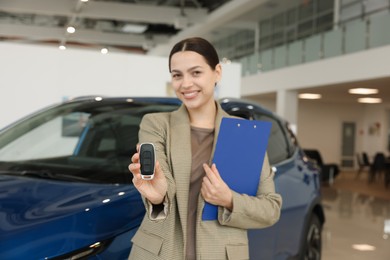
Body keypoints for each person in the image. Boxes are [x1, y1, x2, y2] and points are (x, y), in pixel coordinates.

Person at [128, 37, 282, 260]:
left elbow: (271, 208)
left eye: (196, 72)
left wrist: (229, 199)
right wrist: (158, 197)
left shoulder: (245, 134)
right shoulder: (156, 124)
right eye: (177, 75)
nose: (186, 83)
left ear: (217, 72)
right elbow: (163, 186)